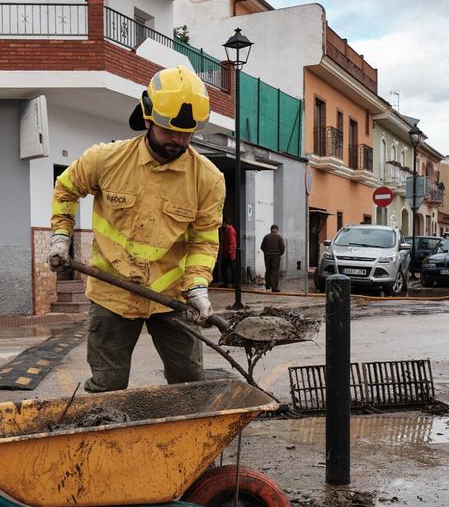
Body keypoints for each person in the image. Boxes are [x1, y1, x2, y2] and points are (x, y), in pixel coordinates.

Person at [47, 65, 224, 392]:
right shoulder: (105, 160)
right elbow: (66, 188)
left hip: (171, 297)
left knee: (189, 382)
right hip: (112, 292)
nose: (178, 140)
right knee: (108, 385)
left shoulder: (208, 179)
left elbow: (204, 239)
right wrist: (60, 236)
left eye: (187, 133)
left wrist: (198, 286)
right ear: (148, 117)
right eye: (169, 131)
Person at [261, 224, 286, 291]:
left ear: (271, 230)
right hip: (276, 256)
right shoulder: (279, 237)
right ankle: (274, 288)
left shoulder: (266, 237)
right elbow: (282, 248)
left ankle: (268, 287)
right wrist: (279, 254)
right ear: (277, 230)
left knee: (268, 271)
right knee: (274, 272)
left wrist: (266, 253)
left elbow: (262, 247)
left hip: (267, 256)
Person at [216, 221, 237, 286]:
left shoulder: (230, 231)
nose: (221, 225)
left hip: (229, 254)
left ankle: (232, 283)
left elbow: (232, 242)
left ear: (225, 223)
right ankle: (228, 283)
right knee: (225, 267)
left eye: (222, 223)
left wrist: (230, 253)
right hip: (227, 253)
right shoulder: (227, 230)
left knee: (230, 268)